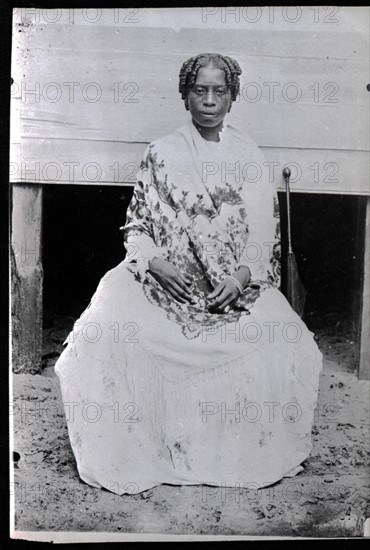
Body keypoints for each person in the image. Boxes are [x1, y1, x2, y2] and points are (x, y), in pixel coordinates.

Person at [55, 53, 322, 496]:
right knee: (101, 329)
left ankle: (233, 451)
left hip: (230, 289)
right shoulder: (161, 153)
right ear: (185, 95)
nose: (210, 101)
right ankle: (141, 449)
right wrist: (154, 262)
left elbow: (262, 237)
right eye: (200, 90)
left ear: (232, 98)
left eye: (220, 91)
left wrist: (238, 279)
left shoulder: (247, 156)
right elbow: (138, 225)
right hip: (165, 282)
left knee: (287, 338)